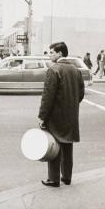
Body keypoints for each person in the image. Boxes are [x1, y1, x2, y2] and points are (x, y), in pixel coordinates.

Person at [38, 41, 84, 187]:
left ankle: (53, 179)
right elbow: (81, 94)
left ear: (60, 53)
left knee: (54, 145)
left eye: (51, 52)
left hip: (56, 115)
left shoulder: (54, 70)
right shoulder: (75, 70)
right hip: (71, 114)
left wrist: (42, 116)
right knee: (67, 146)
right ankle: (67, 177)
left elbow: (48, 97)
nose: (49, 55)